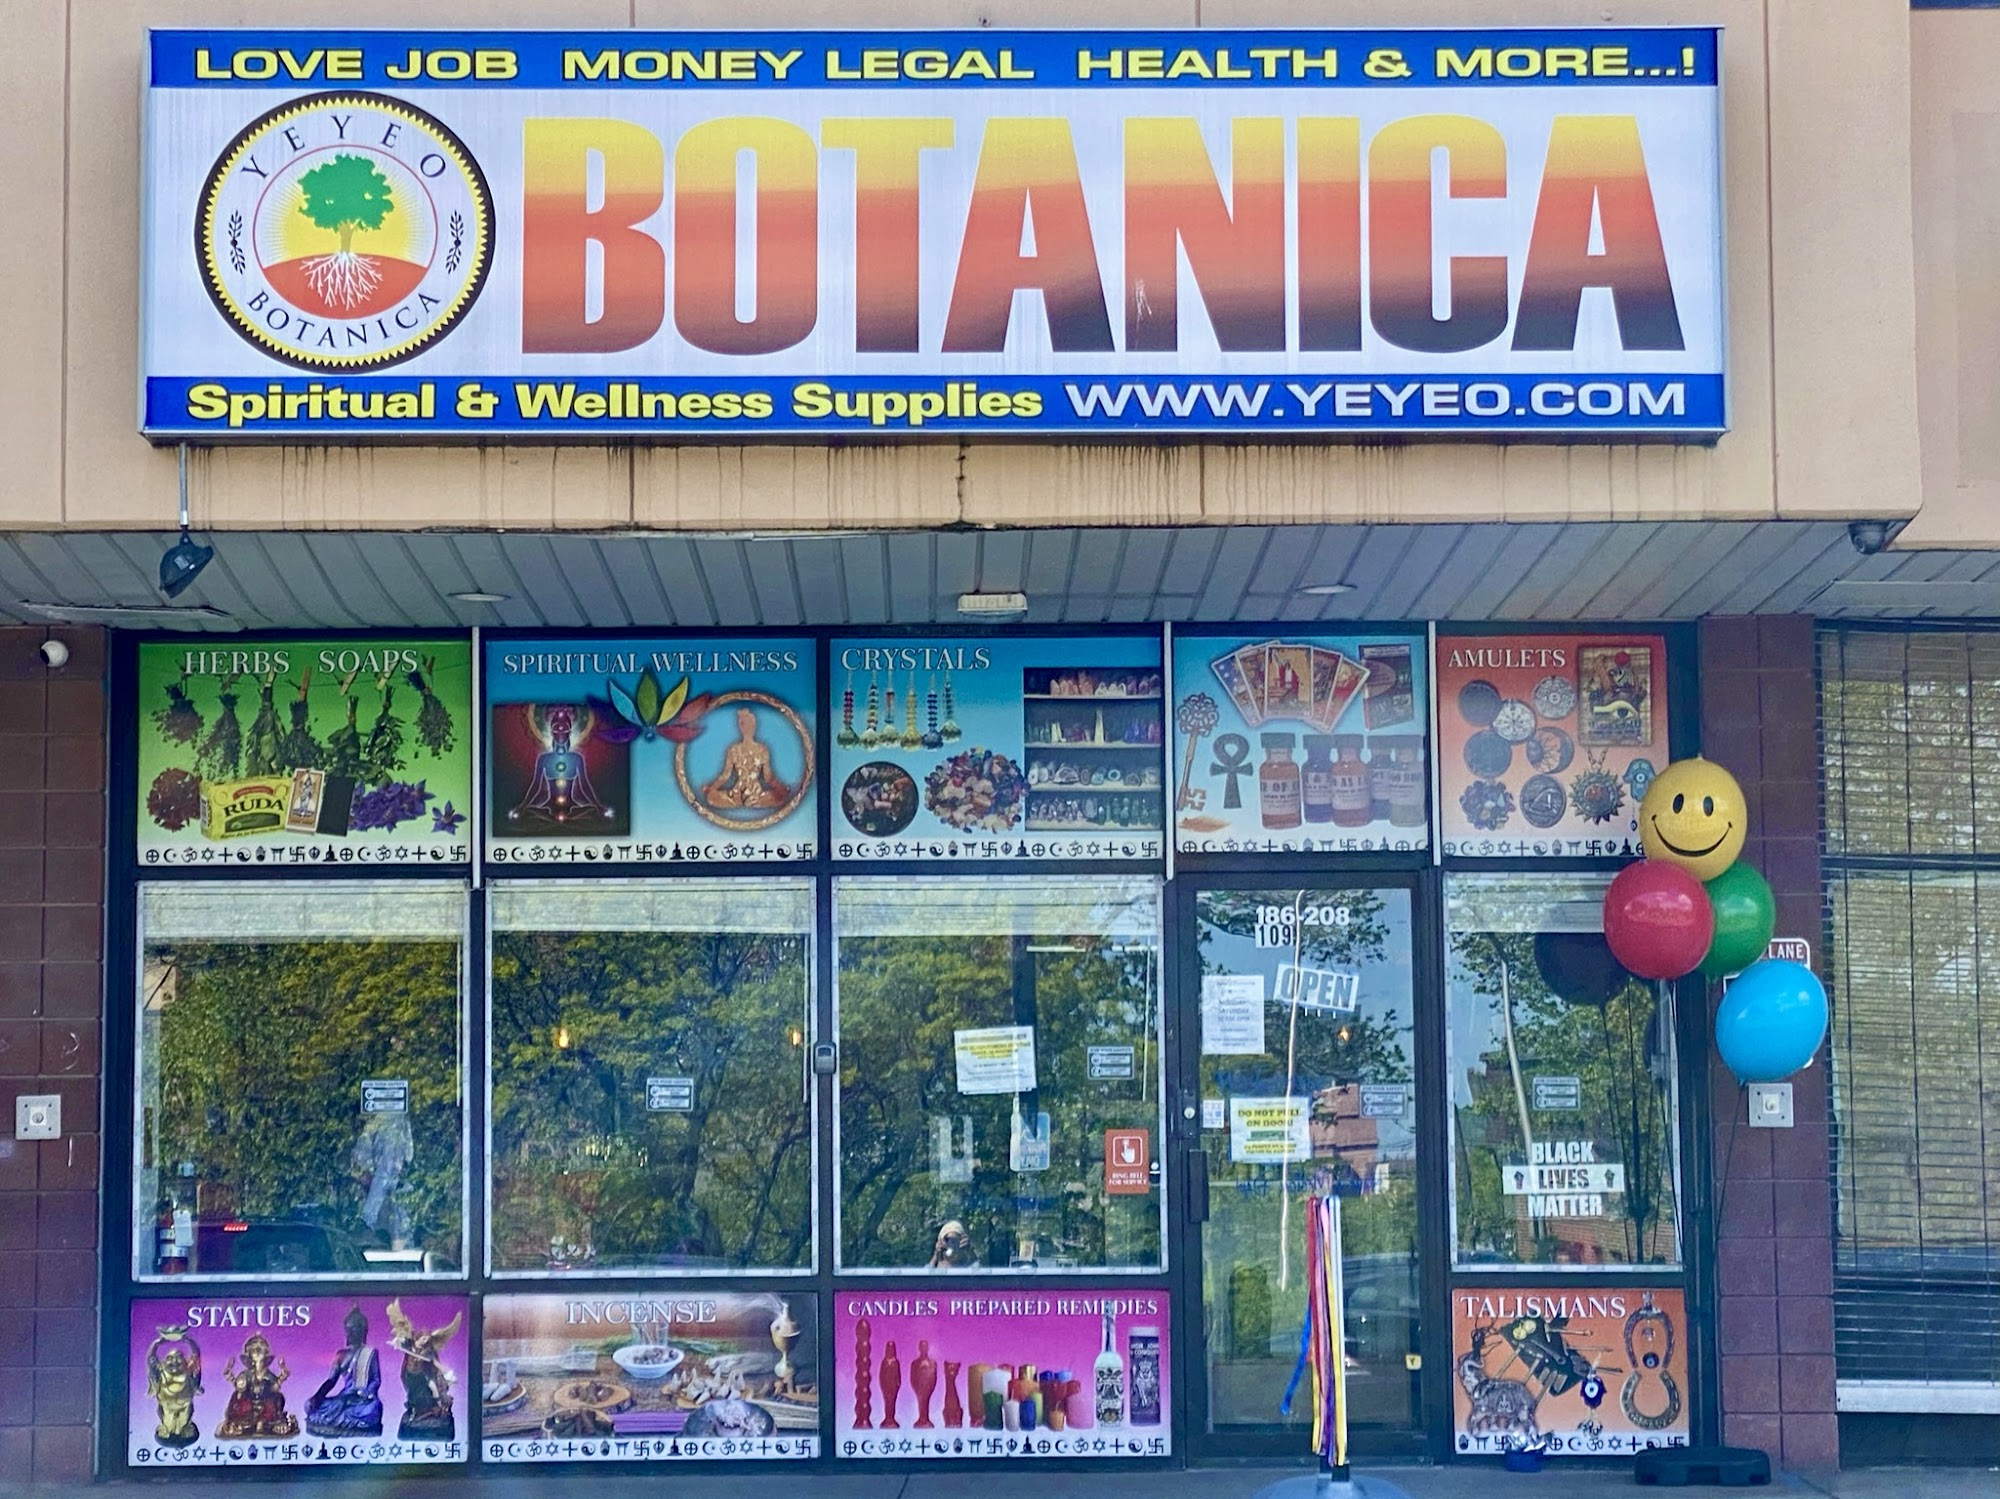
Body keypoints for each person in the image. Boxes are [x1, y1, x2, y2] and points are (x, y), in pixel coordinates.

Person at [305, 1306, 384, 1437]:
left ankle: (340, 1420)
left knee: (373, 1408)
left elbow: (376, 1379)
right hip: (344, 1398)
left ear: (363, 1331)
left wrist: (368, 1392)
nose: (350, 1333)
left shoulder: (370, 1353)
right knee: (311, 1405)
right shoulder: (341, 1355)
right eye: (348, 1329)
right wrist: (317, 1396)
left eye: (354, 1329)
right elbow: (331, 1381)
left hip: (362, 1400)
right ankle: (338, 1418)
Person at [702, 707, 791, 810]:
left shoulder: (735, 749)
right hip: (755, 796)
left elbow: (725, 776)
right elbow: (768, 777)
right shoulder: (761, 749)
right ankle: (751, 801)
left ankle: (740, 801)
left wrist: (711, 789)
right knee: (779, 796)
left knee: (712, 797)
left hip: (738, 795)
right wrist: (781, 789)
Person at [218, 1332, 299, 1438]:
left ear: (265, 1355)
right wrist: (235, 1382)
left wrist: (282, 1376)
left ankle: (263, 1423)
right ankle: (241, 1424)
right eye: (254, 1351)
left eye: (260, 1351)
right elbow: (240, 1387)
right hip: (249, 1404)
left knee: (277, 1399)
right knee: (237, 1400)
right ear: (249, 1355)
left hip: (265, 1402)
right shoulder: (246, 1374)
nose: (257, 1353)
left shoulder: (268, 1374)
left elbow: (275, 1387)